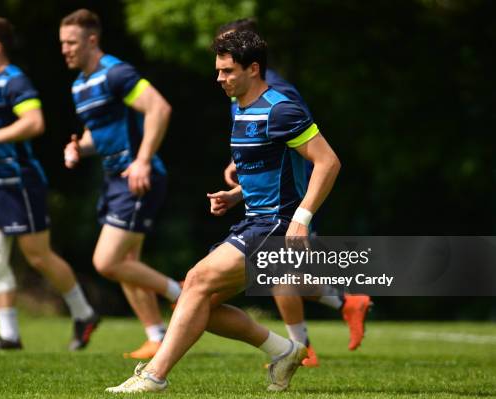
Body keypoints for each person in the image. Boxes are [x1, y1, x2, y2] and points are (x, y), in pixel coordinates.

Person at [107, 30, 341, 393]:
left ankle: (154, 375)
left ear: (253, 69)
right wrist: (235, 195)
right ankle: (285, 350)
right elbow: (272, 170)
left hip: (277, 225)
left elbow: (328, 163)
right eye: (218, 70)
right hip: (254, 220)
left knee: (197, 282)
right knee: (197, 299)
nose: (220, 78)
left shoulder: (281, 109)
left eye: (228, 71)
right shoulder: (242, 108)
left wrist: (301, 220)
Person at [217, 19, 372, 367]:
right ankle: (344, 304)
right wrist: (240, 185)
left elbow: (306, 150)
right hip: (264, 203)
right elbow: (261, 144)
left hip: (289, 202)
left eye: (229, 54)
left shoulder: (281, 95)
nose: (222, 67)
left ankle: (300, 347)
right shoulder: (236, 90)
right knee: (284, 274)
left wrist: (301, 212)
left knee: (278, 274)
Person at [0, 17, 99, 351]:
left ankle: (84, 314)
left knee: (38, 256)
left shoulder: (16, 82)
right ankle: (9, 335)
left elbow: (34, 122)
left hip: (19, 183)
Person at [59, 9, 182, 359]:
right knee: (129, 263)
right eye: (62, 43)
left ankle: (180, 293)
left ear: (92, 40)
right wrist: (77, 149)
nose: (65, 49)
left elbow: (159, 108)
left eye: (72, 42)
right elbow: (96, 136)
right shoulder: (79, 85)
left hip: (138, 177)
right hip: (114, 180)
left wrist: (142, 160)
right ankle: (156, 336)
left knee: (107, 261)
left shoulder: (117, 73)